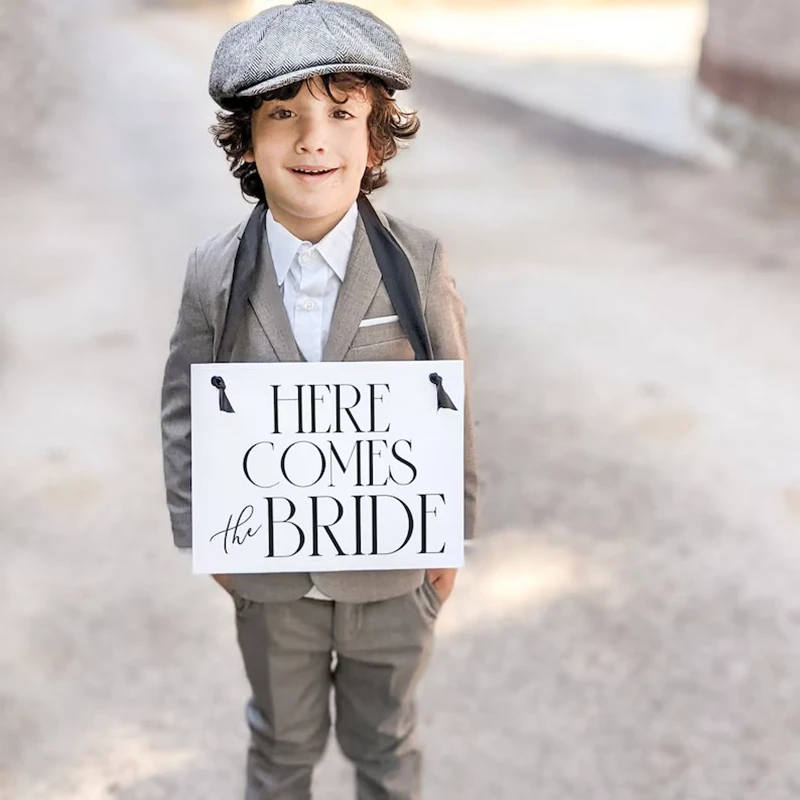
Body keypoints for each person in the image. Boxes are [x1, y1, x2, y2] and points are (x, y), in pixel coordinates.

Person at [161, 2, 478, 798]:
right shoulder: (214, 272)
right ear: (247, 141)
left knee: (387, 746)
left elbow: (452, 398)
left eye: (342, 113)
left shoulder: (417, 260)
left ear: (374, 140)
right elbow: (183, 409)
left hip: (392, 577)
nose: (313, 139)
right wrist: (209, 537)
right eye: (283, 115)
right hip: (269, 584)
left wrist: (449, 539)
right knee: (279, 749)